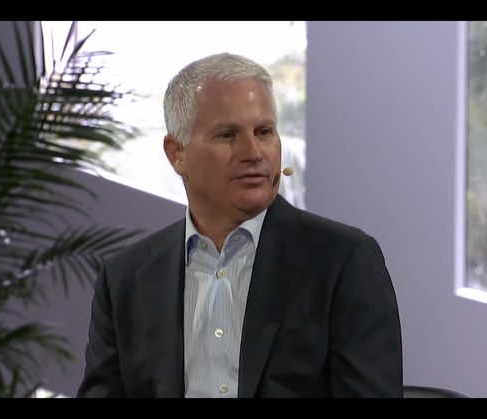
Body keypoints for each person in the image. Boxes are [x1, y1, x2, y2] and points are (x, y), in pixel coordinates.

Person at [76, 52, 403, 398]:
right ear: (177, 153)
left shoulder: (342, 262)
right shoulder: (126, 279)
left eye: (264, 132)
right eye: (227, 135)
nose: (253, 152)